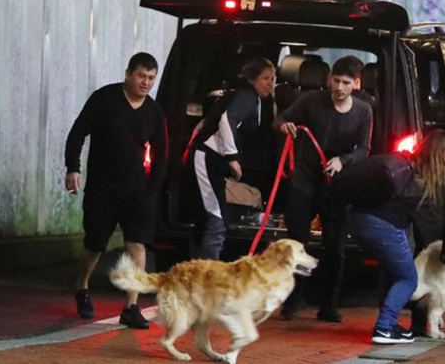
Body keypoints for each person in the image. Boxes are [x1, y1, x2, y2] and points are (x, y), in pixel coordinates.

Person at [345, 129, 445, 344]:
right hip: (384, 226)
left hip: (358, 219)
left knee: (395, 270)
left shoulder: (413, 167)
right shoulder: (438, 181)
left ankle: (391, 324)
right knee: (407, 278)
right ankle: (384, 327)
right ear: (444, 153)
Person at [64, 52, 167, 329]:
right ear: (128, 74)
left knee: (137, 246)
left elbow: (161, 155)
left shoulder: (154, 112)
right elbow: (77, 133)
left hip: (137, 192)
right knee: (95, 244)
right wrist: (73, 168)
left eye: (151, 78)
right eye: (141, 76)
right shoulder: (105, 98)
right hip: (102, 188)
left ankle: (130, 307)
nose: (146, 83)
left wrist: (152, 192)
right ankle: (82, 286)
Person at [273, 55, 373, 323]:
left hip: (336, 185)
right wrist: (284, 125)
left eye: (345, 83)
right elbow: (281, 118)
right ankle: (294, 299)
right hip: (304, 179)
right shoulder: (311, 100)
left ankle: (328, 304)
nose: (339, 87)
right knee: (296, 242)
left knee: (335, 246)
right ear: (330, 79)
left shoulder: (363, 111)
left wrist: (343, 161)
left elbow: (364, 149)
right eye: (336, 81)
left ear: (356, 84)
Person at [186, 57, 275, 260]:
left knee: (206, 217)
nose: (270, 83)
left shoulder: (243, 96)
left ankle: (196, 267)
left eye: (273, 79)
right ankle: (210, 274)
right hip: (207, 158)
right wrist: (232, 156)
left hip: (209, 158)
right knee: (216, 219)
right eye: (266, 78)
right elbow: (227, 120)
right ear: (253, 79)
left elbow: (204, 124)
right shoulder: (247, 96)